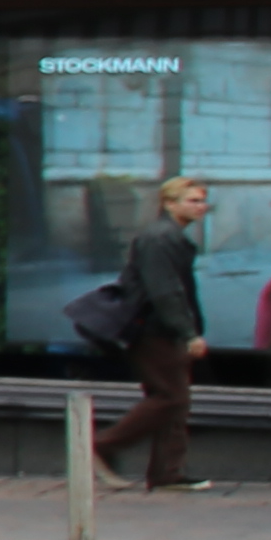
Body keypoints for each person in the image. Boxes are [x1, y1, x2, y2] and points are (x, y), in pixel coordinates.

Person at [105, 175, 211, 493]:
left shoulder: (170, 236)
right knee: (170, 397)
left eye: (203, 200)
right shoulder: (160, 238)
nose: (201, 206)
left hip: (162, 329)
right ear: (170, 203)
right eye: (192, 200)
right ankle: (102, 445)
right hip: (154, 330)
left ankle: (167, 473)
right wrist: (188, 332)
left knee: (175, 399)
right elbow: (165, 291)